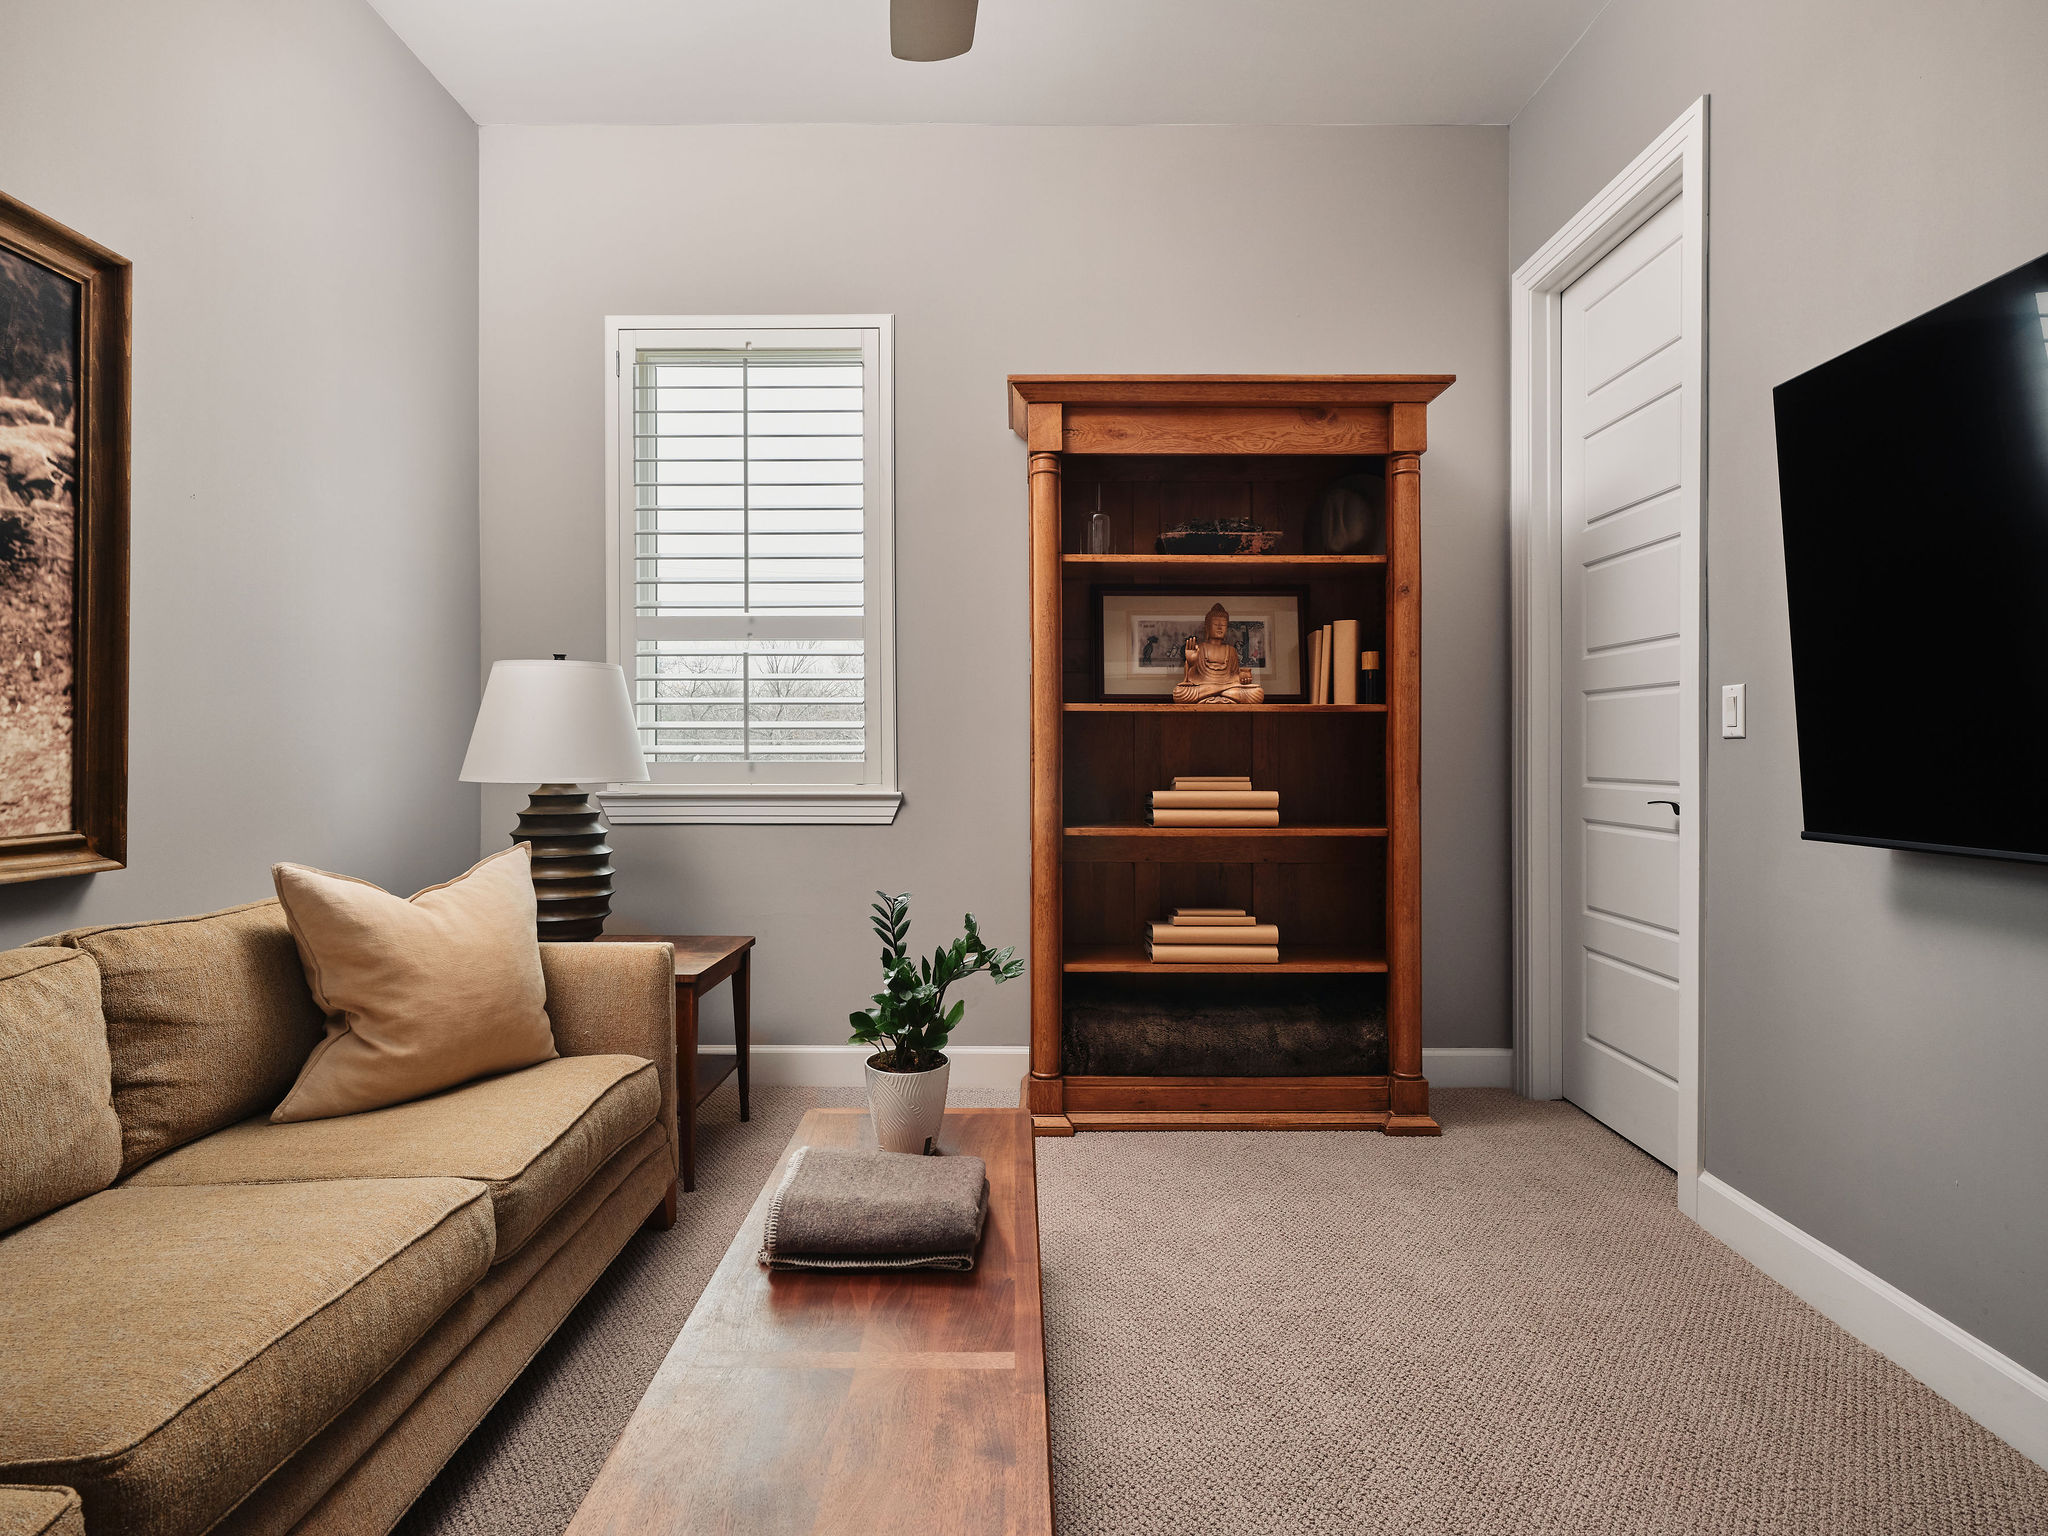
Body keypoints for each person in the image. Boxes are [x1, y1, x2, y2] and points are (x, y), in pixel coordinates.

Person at [1172, 602, 1264, 704]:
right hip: (1205, 686)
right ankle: (1223, 694)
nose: (1220, 628)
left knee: (1257, 693)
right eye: (1216, 624)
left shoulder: (1231, 650)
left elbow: (1234, 676)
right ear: (1207, 627)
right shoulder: (1200, 648)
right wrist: (1191, 663)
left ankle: (1214, 694)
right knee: (1179, 692)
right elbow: (1191, 679)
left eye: (1223, 625)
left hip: (1226, 686)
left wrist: (1242, 677)